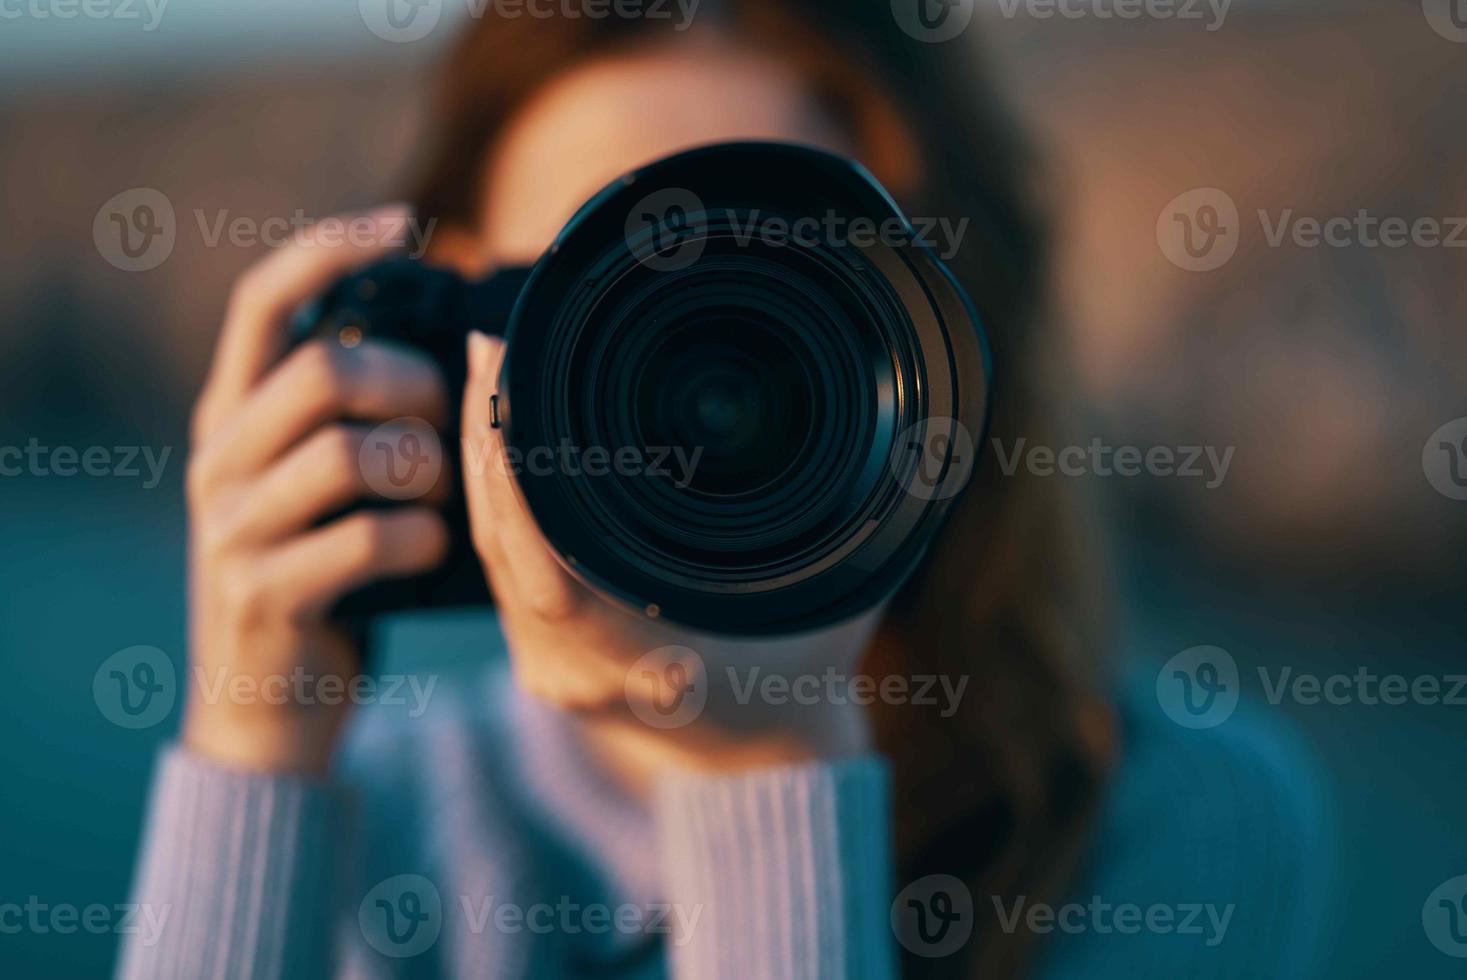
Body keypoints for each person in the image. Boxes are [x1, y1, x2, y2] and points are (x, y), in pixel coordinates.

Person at [118, 3, 1331, 977]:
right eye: (597, 286)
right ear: (454, 340)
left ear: (937, 347)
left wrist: (767, 770)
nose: (680, 366)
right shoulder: (370, 820)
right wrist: (256, 748)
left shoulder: (1162, 820)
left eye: (771, 289)